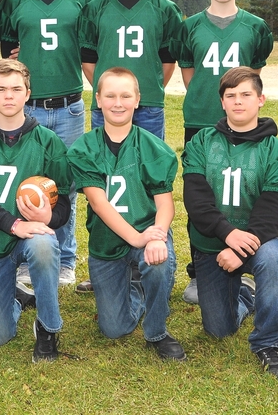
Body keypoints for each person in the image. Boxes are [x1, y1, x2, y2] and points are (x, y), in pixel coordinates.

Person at [171, 0, 274, 305]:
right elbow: (190, 75)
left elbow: (252, 75)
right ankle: (200, 271)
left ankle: (247, 265)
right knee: (202, 196)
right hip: (201, 121)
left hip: (243, 123)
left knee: (244, 192)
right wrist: (207, 100)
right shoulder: (190, 26)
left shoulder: (256, 27)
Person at [0, 59, 71, 362]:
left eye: (16, 89)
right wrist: (14, 224)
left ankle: (48, 329)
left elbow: (64, 204)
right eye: (1, 89)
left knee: (44, 244)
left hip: (32, 236)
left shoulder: (48, 140)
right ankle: (17, 300)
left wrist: (49, 218)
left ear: (27, 93)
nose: (9, 96)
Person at [0, 0, 96, 287]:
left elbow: (92, 50)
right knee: (26, 182)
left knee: (65, 184)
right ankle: (26, 256)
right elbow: (8, 52)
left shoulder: (84, 0)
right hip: (29, 109)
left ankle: (65, 258)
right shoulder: (16, 0)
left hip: (68, 106)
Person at [182, 67, 278, 381]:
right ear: (222, 102)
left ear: (261, 99)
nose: (238, 102)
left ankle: (268, 342)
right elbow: (196, 199)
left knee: (274, 258)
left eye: (245, 95)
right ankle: (246, 295)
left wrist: (242, 248)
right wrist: (227, 233)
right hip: (212, 242)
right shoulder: (203, 141)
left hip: (256, 241)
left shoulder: (276, 150)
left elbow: (274, 208)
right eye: (230, 96)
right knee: (219, 329)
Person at [67, 67, 185, 361]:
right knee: (114, 329)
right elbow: (99, 203)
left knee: (158, 261)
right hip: (107, 242)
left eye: (125, 96)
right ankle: (136, 289)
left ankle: (157, 331)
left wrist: (156, 235)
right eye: (110, 96)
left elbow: (165, 204)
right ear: (98, 99)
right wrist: (136, 237)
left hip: (146, 230)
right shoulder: (85, 148)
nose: (117, 103)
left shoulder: (153, 147)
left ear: (137, 99)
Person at [78, 0, 182, 141]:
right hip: (106, 106)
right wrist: (109, 90)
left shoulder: (165, 9)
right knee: (105, 167)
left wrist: (147, 87)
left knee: (149, 167)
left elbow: (168, 62)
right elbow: (88, 62)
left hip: (149, 105)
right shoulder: (95, 9)